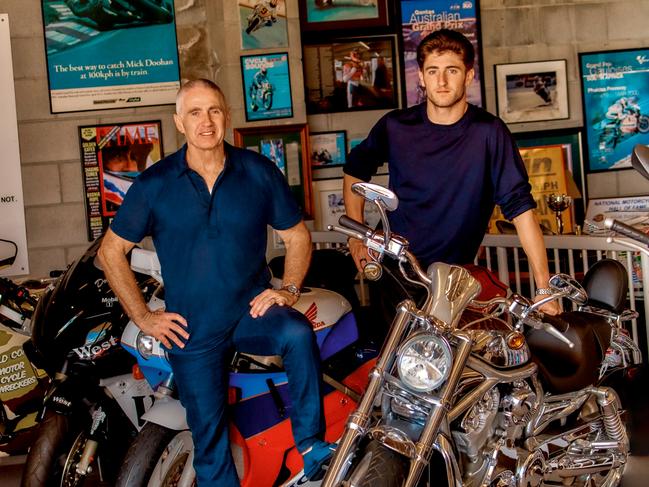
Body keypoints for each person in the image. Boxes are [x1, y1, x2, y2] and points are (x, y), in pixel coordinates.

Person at [98, 79, 334, 486]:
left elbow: (297, 237)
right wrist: (144, 316)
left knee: (297, 333)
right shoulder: (154, 184)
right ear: (179, 122)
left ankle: (310, 444)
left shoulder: (258, 171)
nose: (205, 122)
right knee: (210, 446)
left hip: (250, 312)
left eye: (213, 111)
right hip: (192, 327)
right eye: (194, 112)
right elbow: (110, 252)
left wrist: (289, 289)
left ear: (226, 116)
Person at [343, 29, 560, 321]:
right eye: (432, 71)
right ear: (420, 76)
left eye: (452, 71)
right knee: (390, 363)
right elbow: (354, 171)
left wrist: (544, 288)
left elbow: (521, 210)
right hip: (396, 271)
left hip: (455, 280)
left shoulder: (488, 132)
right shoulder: (396, 127)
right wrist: (357, 237)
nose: (441, 81)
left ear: (468, 76)